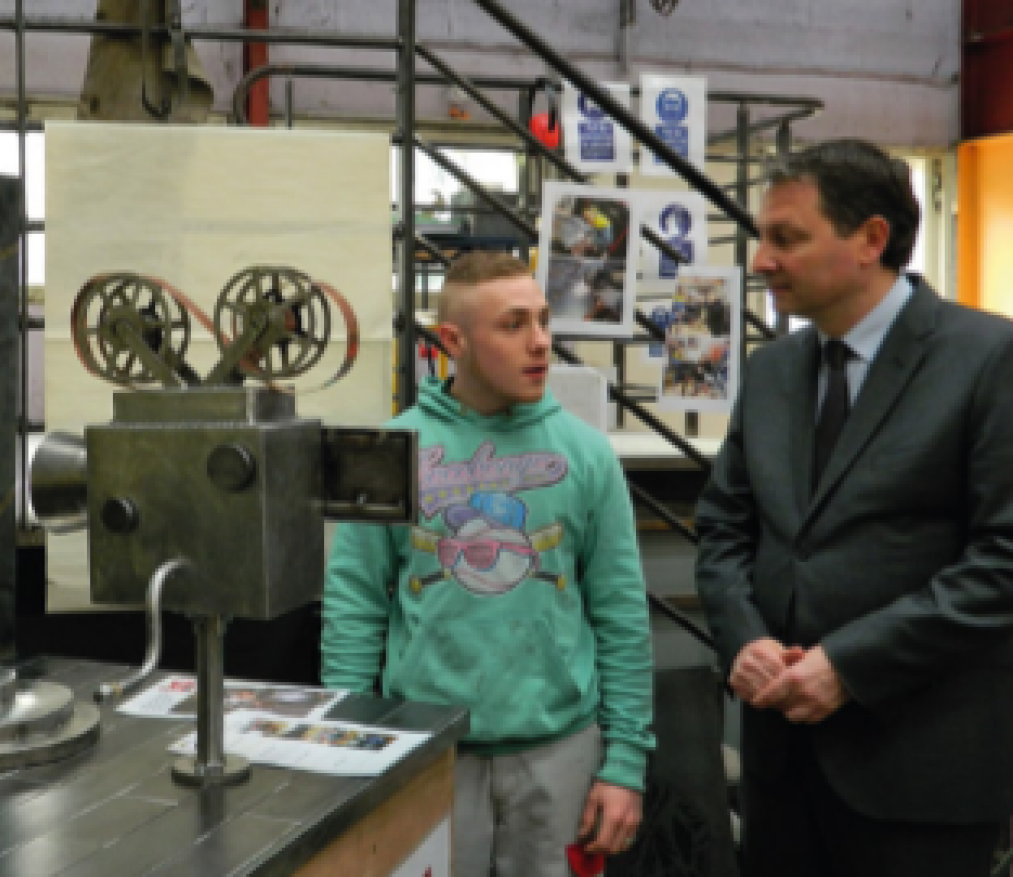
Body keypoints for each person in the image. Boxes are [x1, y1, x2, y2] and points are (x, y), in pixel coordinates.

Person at [694, 138, 1013, 877]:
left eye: (787, 238)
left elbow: (1003, 558)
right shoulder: (772, 371)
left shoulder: (989, 359)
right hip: (781, 771)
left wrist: (850, 664)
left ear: (871, 239)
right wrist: (743, 639)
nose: (760, 260)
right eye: (760, 237)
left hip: (920, 769)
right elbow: (722, 529)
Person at [322, 250, 655, 876]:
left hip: (561, 750)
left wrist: (625, 764)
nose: (540, 343)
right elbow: (355, 608)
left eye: (543, 321)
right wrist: (351, 754)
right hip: (426, 753)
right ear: (454, 340)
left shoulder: (588, 455)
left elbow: (620, 615)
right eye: (512, 325)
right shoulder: (385, 452)